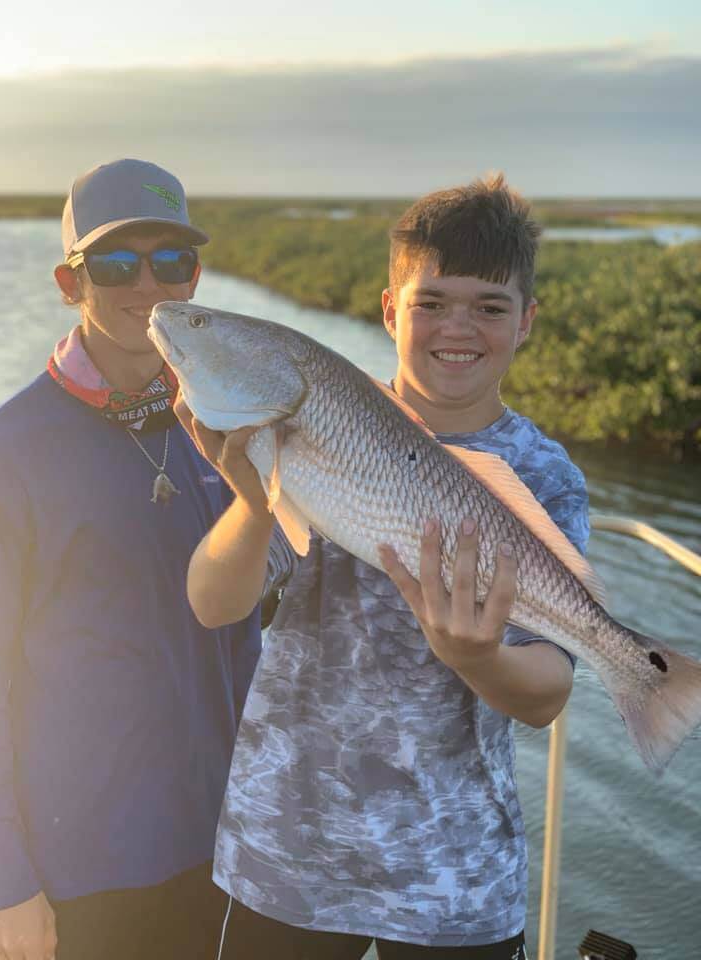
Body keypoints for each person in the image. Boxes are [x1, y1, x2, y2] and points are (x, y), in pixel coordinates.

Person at [175, 174, 589, 959]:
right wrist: (254, 504)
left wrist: (478, 658)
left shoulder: (545, 476)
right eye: (431, 302)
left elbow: (546, 695)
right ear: (390, 310)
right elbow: (212, 604)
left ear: (527, 321)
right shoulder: (302, 421)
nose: (457, 328)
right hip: (287, 854)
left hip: (454, 875)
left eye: (489, 307)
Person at [0, 159, 261, 960]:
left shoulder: (227, 423)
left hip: (225, 846)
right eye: (114, 264)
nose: (148, 286)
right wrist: (2, 880)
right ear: (70, 283)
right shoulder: (7, 451)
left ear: (195, 276)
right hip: (80, 867)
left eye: (172, 260)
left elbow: (250, 630)